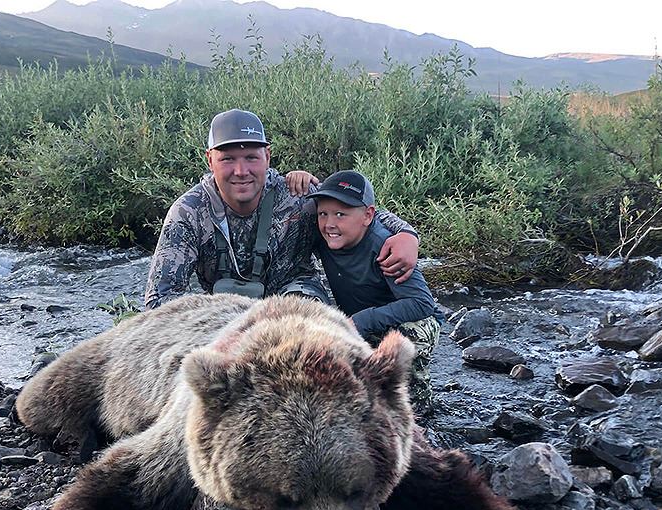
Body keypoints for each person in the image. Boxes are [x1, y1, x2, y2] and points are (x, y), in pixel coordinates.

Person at [144, 109, 420, 309]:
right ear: (210, 160)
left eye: (251, 157)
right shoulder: (188, 212)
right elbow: (159, 299)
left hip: (294, 301)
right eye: (228, 159)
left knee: (312, 327)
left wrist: (407, 235)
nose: (241, 171)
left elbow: (359, 212)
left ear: (267, 156)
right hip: (225, 313)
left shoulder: (297, 194)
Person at [309, 170, 442, 416]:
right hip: (359, 323)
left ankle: (420, 409)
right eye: (323, 214)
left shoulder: (386, 247)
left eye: (340, 214)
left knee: (411, 334)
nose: (329, 224)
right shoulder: (325, 236)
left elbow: (421, 303)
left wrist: (360, 321)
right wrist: (298, 176)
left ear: (368, 216)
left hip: (401, 323)